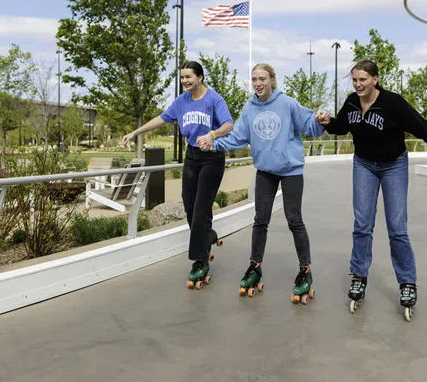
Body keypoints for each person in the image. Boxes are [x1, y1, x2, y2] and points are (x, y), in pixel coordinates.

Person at [315, 60, 427, 319]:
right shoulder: (352, 102)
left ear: (375, 79)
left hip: (394, 166)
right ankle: (359, 276)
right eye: (354, 80)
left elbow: (424, 129)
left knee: (397, 227)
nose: (358, 85)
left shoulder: (393, 103)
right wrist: (327, 121)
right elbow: (341, 128)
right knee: (362, 224)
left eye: (363, 80)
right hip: (364, 165)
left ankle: (407, 283)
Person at [200, 63, 325, 304]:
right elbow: (237, 137)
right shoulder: (249, 108)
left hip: (291, 170)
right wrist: (213, 143)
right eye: (254, 79)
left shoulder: (287, 104)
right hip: (265, 171)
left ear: (272, 80)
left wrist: (321, 118)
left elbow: (310, 125)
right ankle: (254, 266)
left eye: (262, 79)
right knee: (260, 220)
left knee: (294, 220)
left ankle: (305, 270)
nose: (258, 83)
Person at [121, 61, 233, 289]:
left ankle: (200, 262)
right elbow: (161, 118)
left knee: (202, 210)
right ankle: (207, 234)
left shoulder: (214, 99)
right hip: (192, 157)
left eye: (189, 77)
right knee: (190, 207)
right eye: (182, 78)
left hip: (212, 157)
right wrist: (135, 132)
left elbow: (229, 124)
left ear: (200, 77)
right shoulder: (181, 102)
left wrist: (212, 135)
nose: (184, 81)